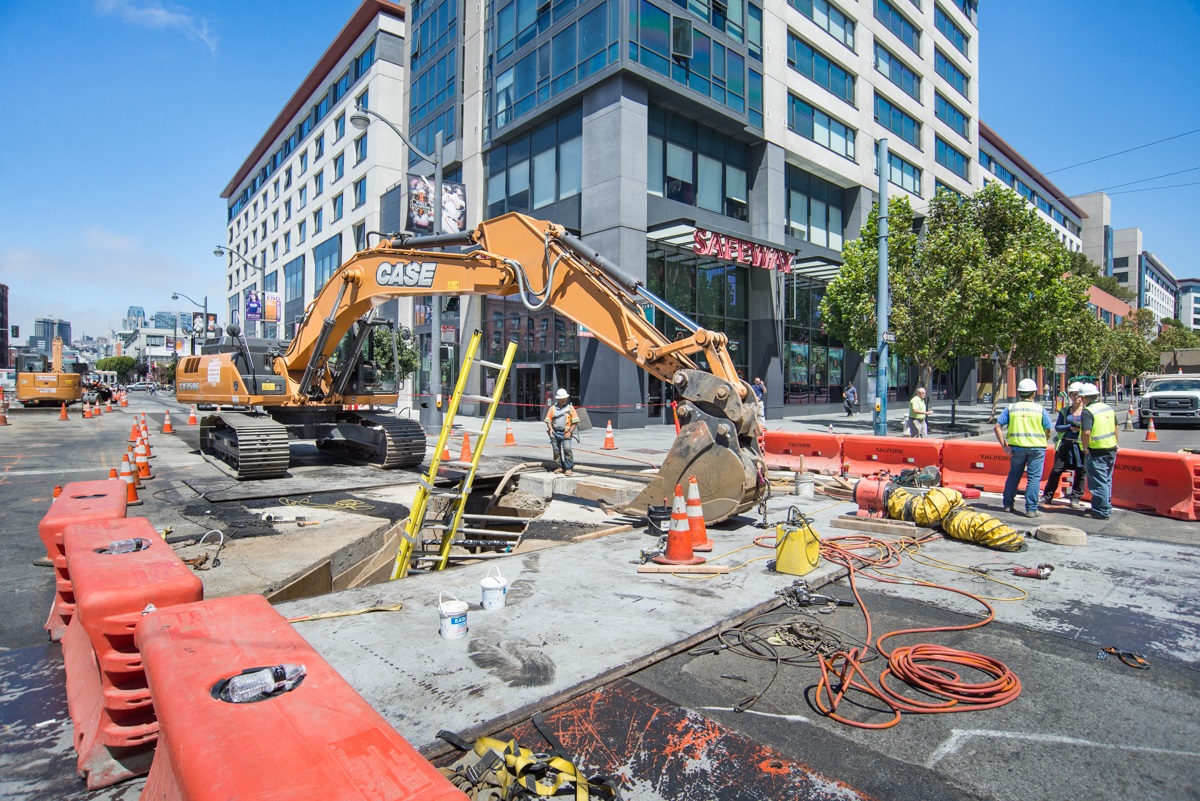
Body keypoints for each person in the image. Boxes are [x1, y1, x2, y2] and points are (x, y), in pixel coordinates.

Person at [994, 378, 1054, 518]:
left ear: (1019, 393)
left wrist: (1004, 446)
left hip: (1017, 447)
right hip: (1037, 448)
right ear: (1033, 393)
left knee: (1014, 476)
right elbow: (1048, 429)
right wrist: (1044, 438)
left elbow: (997, 426)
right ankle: (1031, 510)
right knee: (1033, 478)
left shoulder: (1011, 408)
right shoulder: (1040, 409)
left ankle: (1008, 505)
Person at [1041, 382, 1086, 510]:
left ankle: (1075, 498)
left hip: (1080, 446)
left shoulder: (1087, 412)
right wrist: (1070, 427)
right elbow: (1058, 427)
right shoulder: (1065, 411)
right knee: (1057, 470)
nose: (1077, 397)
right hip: (1065, 444)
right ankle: (1047, 496)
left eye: (1079, 395)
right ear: (1070, 395)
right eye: (1074, 395)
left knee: (1081, 471)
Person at [1079, 382, 1118, 520]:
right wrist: (1115, 443)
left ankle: (1101, 511)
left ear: (1084, 397)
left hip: (1096, 450)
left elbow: (1087, 432)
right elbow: (1115, 427)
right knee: (1106, 480)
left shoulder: (1088, 412)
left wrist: (1085, 447)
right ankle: (1105, 506)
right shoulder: (1107, 408)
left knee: (1098, 483)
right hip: (1111, 448)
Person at [544, 388, 579, 476]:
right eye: (562, 399)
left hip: (566, 433)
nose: (564, 400)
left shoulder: (570, 408)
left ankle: (568, 468)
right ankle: (559, 467)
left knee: (567, 450)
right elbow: (548, 420)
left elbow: (575, 421)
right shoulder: (553, 409)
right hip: (555, 433)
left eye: (565, 399)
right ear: (558, 399)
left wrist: (570, 432)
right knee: (556, 451)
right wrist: (550, 429)